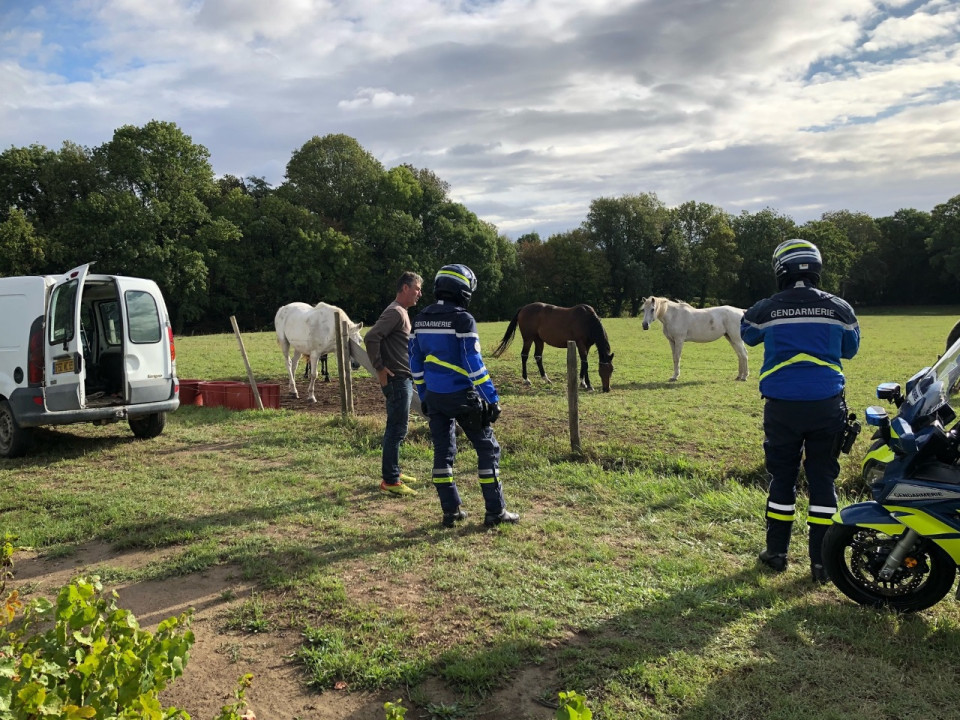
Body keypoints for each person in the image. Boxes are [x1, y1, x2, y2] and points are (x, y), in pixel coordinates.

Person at [740, 239, 860, 583]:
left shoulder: (766, 308)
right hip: (827, 406)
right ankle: (822, 564)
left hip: (782, 409)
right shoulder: (840, 308)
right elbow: (850, 349)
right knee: (823, 478)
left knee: (783, 478)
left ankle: (776, 553)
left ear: (781, 269)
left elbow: (747, 335)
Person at [409, 264, 520, 528]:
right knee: (487, 449)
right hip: (463, 397)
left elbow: (415, 361)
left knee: (443, 454)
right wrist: (491, 398)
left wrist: (424, 393)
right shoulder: (463, 319)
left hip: (434, 397)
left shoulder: (421, 318)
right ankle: (495, 511)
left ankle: (451, 512)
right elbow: (473, 363)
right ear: (463, 291)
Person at [364, 271, 423, 496]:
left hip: (401, 378)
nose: (420, 293)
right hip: (396, 379)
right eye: (417, 289)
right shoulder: (396, 312)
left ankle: (394, 472)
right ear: (405, 288)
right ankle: (390, 481)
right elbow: (371, 337)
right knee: (397, 429)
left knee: (397, 428)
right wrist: (379, 367)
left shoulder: (401, 312)